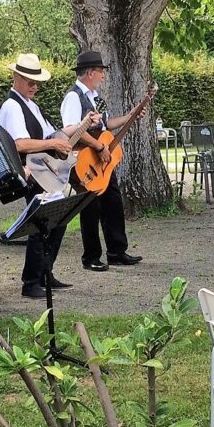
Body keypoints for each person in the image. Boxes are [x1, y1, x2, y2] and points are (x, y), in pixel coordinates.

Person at [0, 53, 88, 299]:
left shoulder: (30, 105)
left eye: (36, 82)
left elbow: (52, 135)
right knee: (40, 225)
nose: (34, 87)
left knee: (57, 222)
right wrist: (55, 146)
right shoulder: (12, 106)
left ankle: (45, 273)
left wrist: (74, 135)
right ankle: (30, 282)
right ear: (16, 78)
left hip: (44, 171)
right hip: (30, 173)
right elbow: (19, 144)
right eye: (29, 81)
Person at [60, 50, 143, 271]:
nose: (103, 76)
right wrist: (98, 146)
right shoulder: (73, 97)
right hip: (86, 160)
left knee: (112, 202)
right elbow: (69, 129)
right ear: (89, 73)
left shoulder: (94, 98)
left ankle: (117, 251)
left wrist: (131, 115)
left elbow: (107, 125)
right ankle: (91, 257)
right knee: (90, 207)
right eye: (100, 71)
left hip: (102, 160)